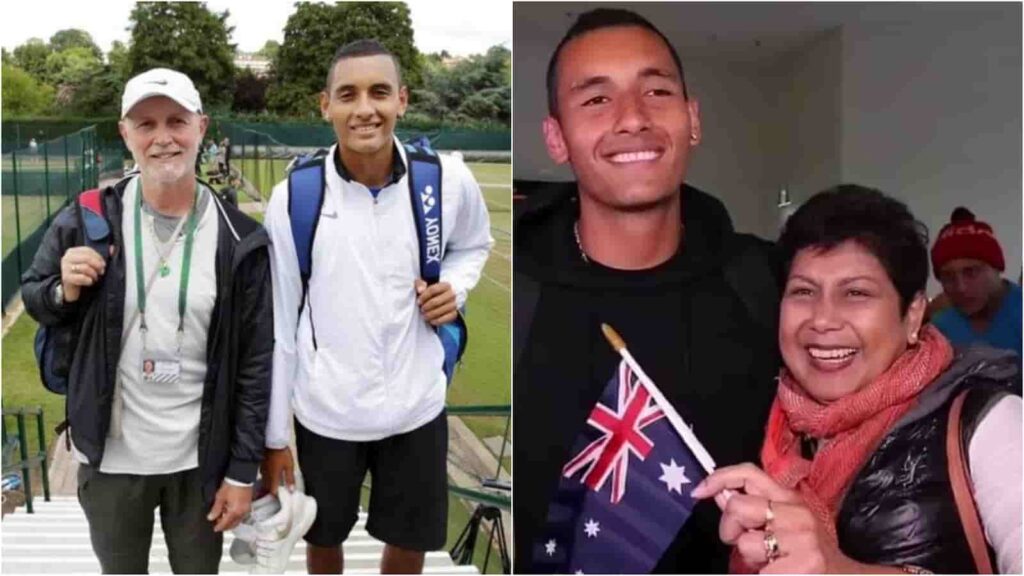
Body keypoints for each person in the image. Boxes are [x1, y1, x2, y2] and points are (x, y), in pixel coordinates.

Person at [513, 8, 781, 573]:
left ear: (693, 119)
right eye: (595, 99)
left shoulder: (769, 282)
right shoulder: (518, 288)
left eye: (656, 90)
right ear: (556, 139)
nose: (632, 118)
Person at [692, 185, 1022, 573]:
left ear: (913, 314)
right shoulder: (768, 427)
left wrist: (843, 571)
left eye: (855, 293)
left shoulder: (987, 422)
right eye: (803, 291)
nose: (822, 319)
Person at [21, 67, 273, 574]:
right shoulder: (86, 218)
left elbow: (255, 364)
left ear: (202, 127)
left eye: (176, 121)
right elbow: (35, 296)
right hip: (111, 461)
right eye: (146, 124)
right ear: (125, 134)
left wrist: (243, 471)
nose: (163, 138)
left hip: (200, 465)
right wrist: (62, 289)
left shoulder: (240, 238)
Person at [260, 40, 493, 574]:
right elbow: (280, 324)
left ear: (402, 100)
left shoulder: (446, 180)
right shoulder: (296, 197)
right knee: (324, 540)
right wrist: (277, 439)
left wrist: (453, 288)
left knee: (410, 542)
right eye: (348, 94)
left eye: (379, 92)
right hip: (326, 414)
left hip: (416, 408)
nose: (365, 108)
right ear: (326, 106)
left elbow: (474, 245)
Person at [930, 207, 1022, 354]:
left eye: (971, 272)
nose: (961, 287)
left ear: (997, 269)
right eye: (948, 277)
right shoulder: (939, 331)